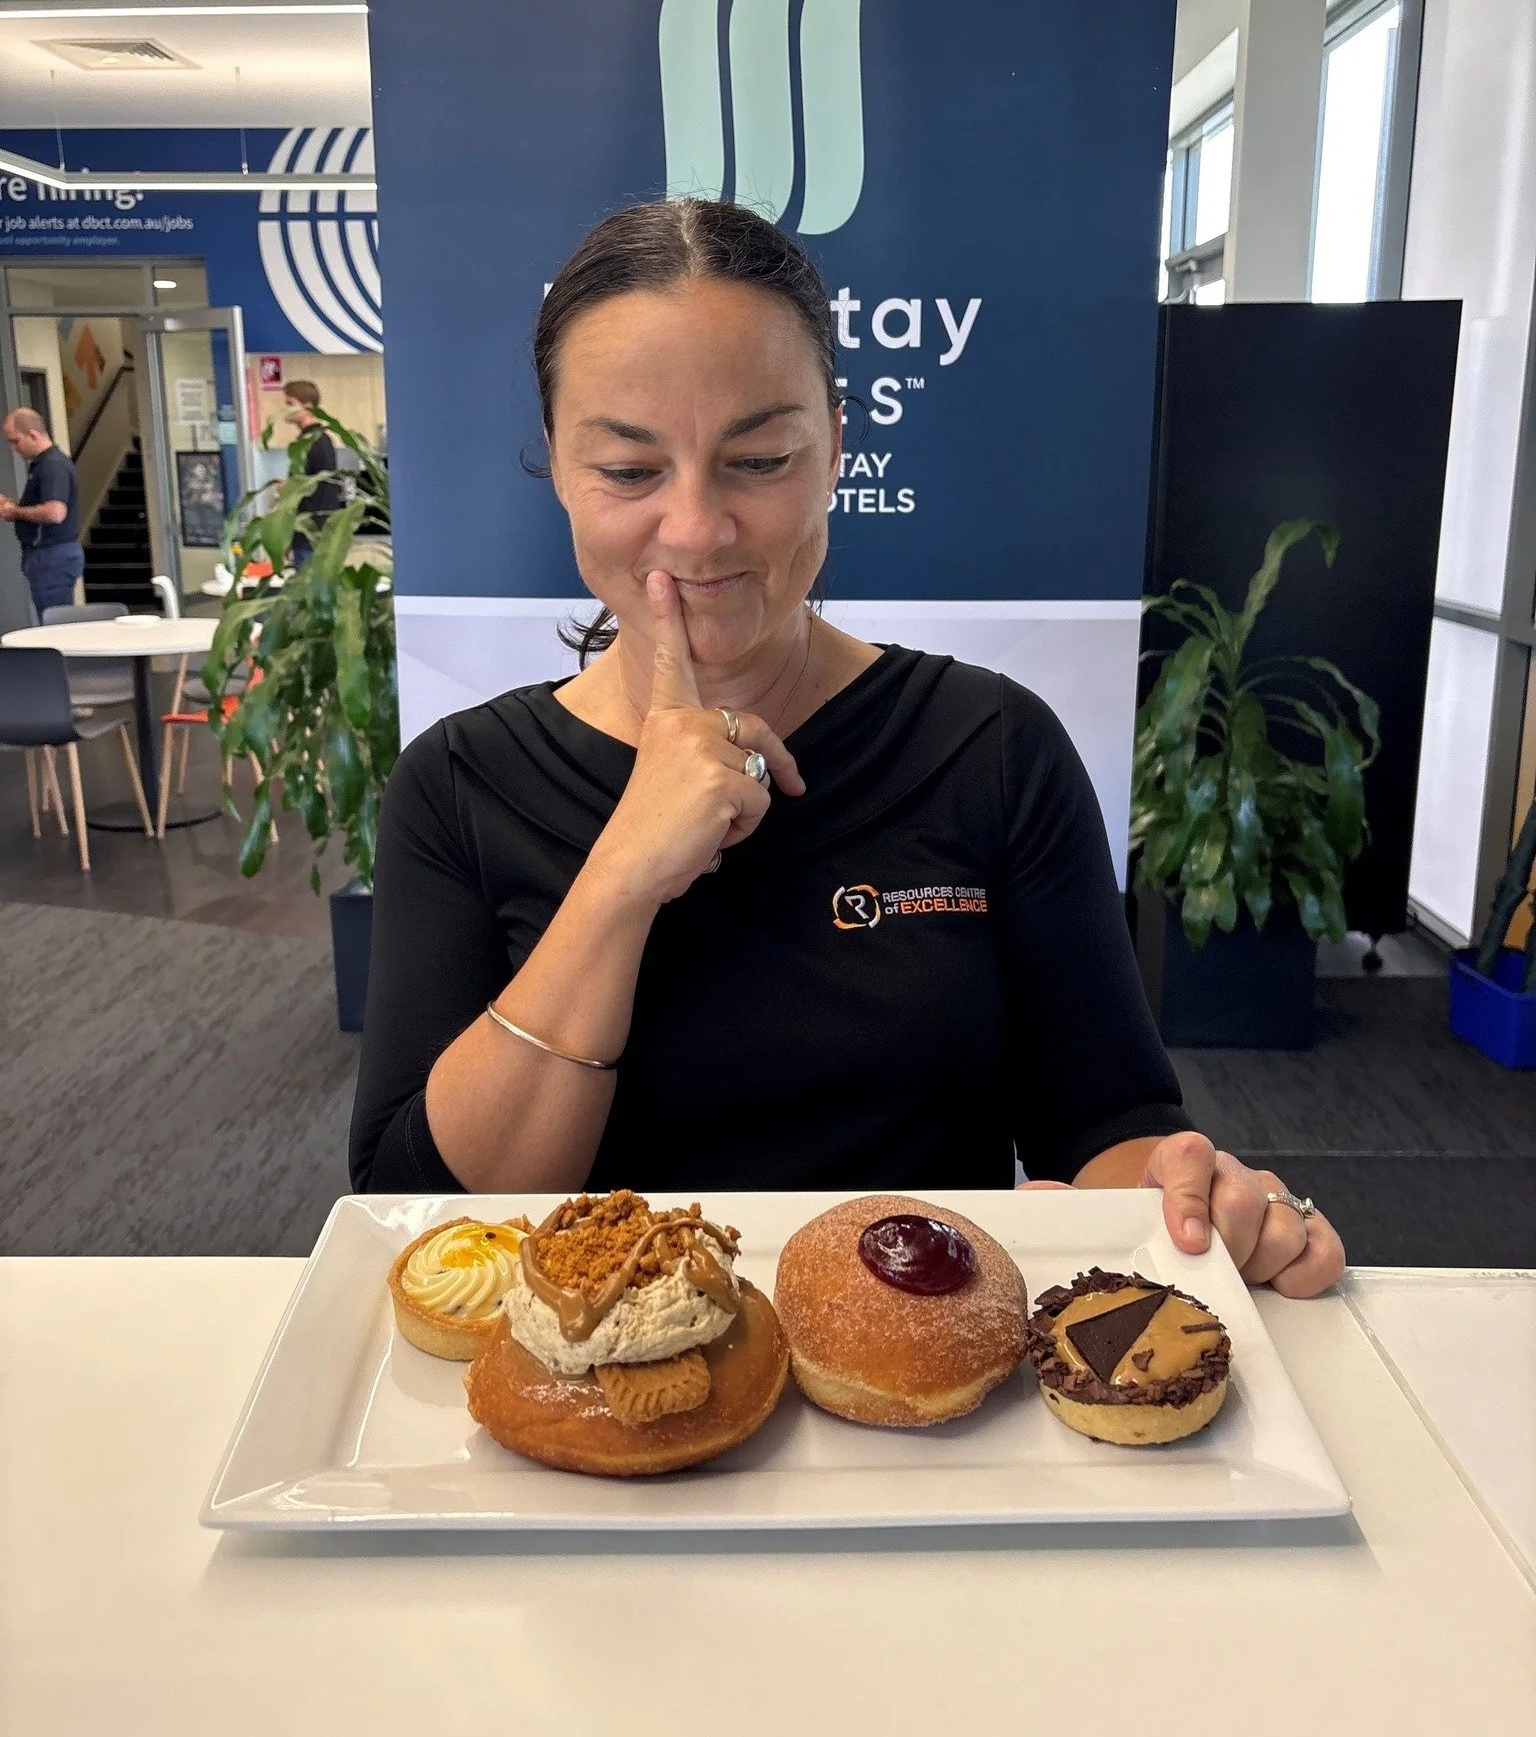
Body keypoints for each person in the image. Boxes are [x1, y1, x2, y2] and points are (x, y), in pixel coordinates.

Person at [350, 200, 1344, 1299]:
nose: (696, 529)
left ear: (836, 447)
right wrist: (622, 877)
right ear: (559, 467)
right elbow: (417, 1209)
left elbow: (1104, 1121)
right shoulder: (458, 786)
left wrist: (1187, 1193)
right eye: (631, 472)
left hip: (916, 1394)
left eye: (761, 459)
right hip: (600, 1407)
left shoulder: (990, 747)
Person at [1, 407, 83, 617]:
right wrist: (12, 505)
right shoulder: (44, 465)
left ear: (33, 435)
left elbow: (55, 512)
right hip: (49, 555)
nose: (13, 448)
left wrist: (14, 512)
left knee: (55, 623)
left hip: (52, 556)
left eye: (15, 441)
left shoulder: (52, 466)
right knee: (53, 618)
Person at [281, 378, 342, 566]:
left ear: (307, 406)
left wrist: (287, 488)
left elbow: (315, 490)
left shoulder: (313, 442)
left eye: (290, 404)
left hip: (310, 533)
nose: (284, 410)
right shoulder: (318, 440)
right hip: (313, 532)